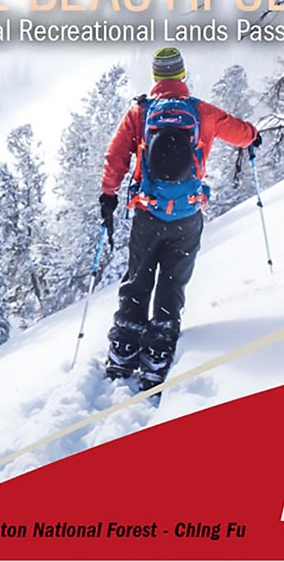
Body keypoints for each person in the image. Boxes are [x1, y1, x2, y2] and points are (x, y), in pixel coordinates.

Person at [99, 47, 261, 390]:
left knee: (138, 278)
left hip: (147, 213)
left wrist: (108, 194)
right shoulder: (202, 111)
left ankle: (124, 351)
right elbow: (242, 132)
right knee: (173, 282)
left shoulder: (140, 112)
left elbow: (115, 158)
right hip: (187, 215)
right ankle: (157, 355)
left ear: (157, 77)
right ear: (182, 75)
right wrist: (254, 135)